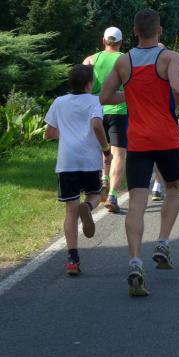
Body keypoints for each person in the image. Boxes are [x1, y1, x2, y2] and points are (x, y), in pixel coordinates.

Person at [100, 9, 179, 297]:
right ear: (160, 30)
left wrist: (132, 95)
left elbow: (104, 97)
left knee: (137, 201)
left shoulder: (123, 61)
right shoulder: (169, 57)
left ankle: (135, 261)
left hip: (138, 141)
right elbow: (178, 88)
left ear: (135, 31)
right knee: (173, 187)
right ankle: (163, 242)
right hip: (166, 138)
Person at [44, 64, 111, 276]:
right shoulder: (94, 101)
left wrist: (66, 132)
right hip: (89, 160)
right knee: (95, 194)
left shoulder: (59, 102)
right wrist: (106, 149)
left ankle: (72, 259)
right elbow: (97, 125)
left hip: (67, 162)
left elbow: (49, 133)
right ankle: (88, 208)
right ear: (89, 84)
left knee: (70, 211)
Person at [83, 27, 127, 213]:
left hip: (95, 110)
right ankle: (113, 196)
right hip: (119, 110)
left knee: (102, 148)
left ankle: (103, 179)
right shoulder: (126, 60)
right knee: (119, 153)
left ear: (103, 41)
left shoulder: (90, 60)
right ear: (121, 42)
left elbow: (82, 86)